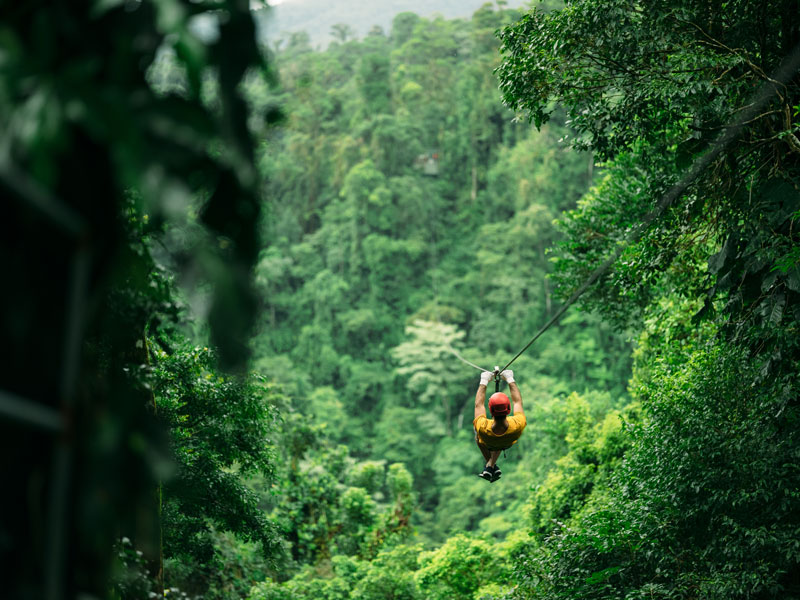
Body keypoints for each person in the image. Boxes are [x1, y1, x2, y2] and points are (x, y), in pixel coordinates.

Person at [473, 368, 525, 482]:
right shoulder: (517, 424)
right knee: (499, 439)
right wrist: (510, 379)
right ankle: (491, 466)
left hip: (488, 442)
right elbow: (518, 402)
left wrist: (484, 381)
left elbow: (478, 405)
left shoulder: (483, 426)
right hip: (506, 442)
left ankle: (491, 465)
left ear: (490, 411)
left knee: (477, 433)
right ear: (508, 409)